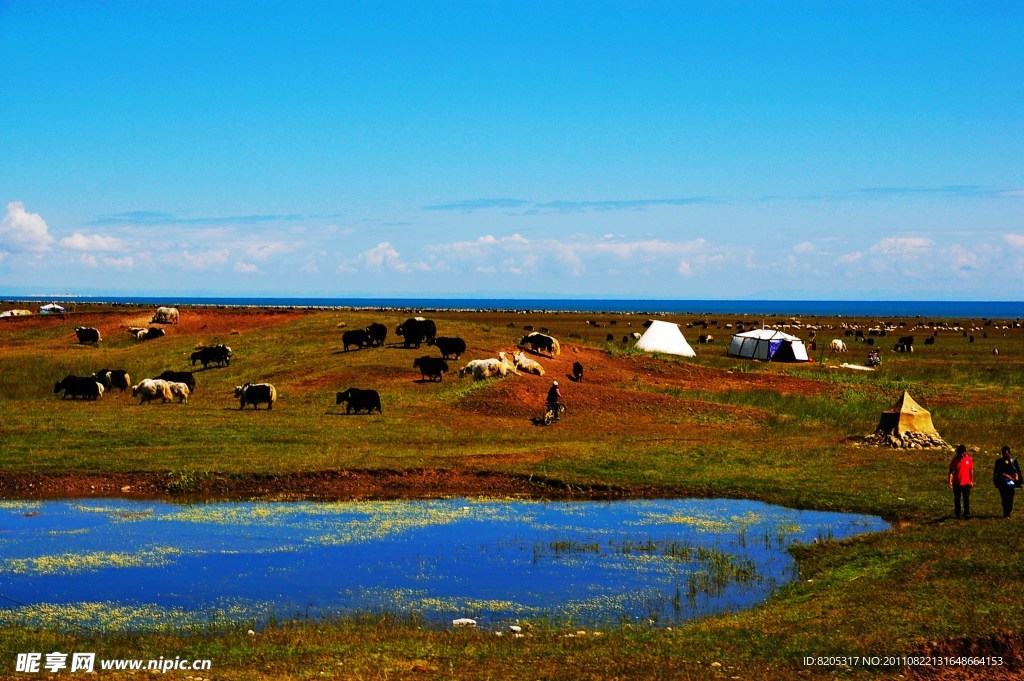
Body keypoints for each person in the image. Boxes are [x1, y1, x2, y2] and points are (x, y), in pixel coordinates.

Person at [993, 445, 1022, 519]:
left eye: (1007, 453)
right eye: (1004, 453)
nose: (1006, 455)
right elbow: (998, 472)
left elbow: (1017, 471)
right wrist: (1005, 477)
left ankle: (1008, 511)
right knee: (1004, 498)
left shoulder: (1013, 461)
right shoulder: (999, 462)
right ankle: (1006, 514)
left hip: (1011, 483)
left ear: (1009, 453)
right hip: (1002, 483)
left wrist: (1017, 477)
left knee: (1010, 498)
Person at [948, 444, 974, 519]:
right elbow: (951, 472)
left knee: (966, 499)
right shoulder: (954, 460)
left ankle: (967, 513)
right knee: (957, 499)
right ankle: (957, 513)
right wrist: (950, 481)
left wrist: (971, 481)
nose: (962, 454)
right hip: (957, 483)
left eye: (963, 452)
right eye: (960, 453)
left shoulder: (969, 460)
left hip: (966, 483)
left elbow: (971, 471)